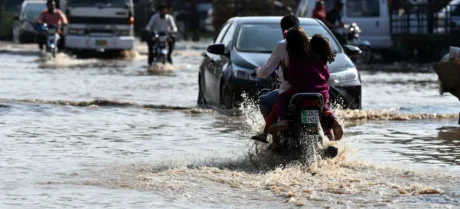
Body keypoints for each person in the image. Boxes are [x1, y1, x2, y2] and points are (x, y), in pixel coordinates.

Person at [268, 28, 343, 141]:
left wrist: (285, 72)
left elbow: (292, 79)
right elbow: (326, 76)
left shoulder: (295, 59)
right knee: (324, 107)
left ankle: (282, 121)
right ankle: (330, 130)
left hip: (299, 91)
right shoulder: (319, 60)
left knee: (282, 97)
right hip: (320, 93)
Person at [250, 15, 299, 144]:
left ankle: (275, 140)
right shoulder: (311, 43)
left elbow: (265, 72)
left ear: (284, 31)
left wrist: (257, 71)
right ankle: (329, 135)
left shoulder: (283, 45)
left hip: (290, 90)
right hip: (314, 89)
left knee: (265, 102)